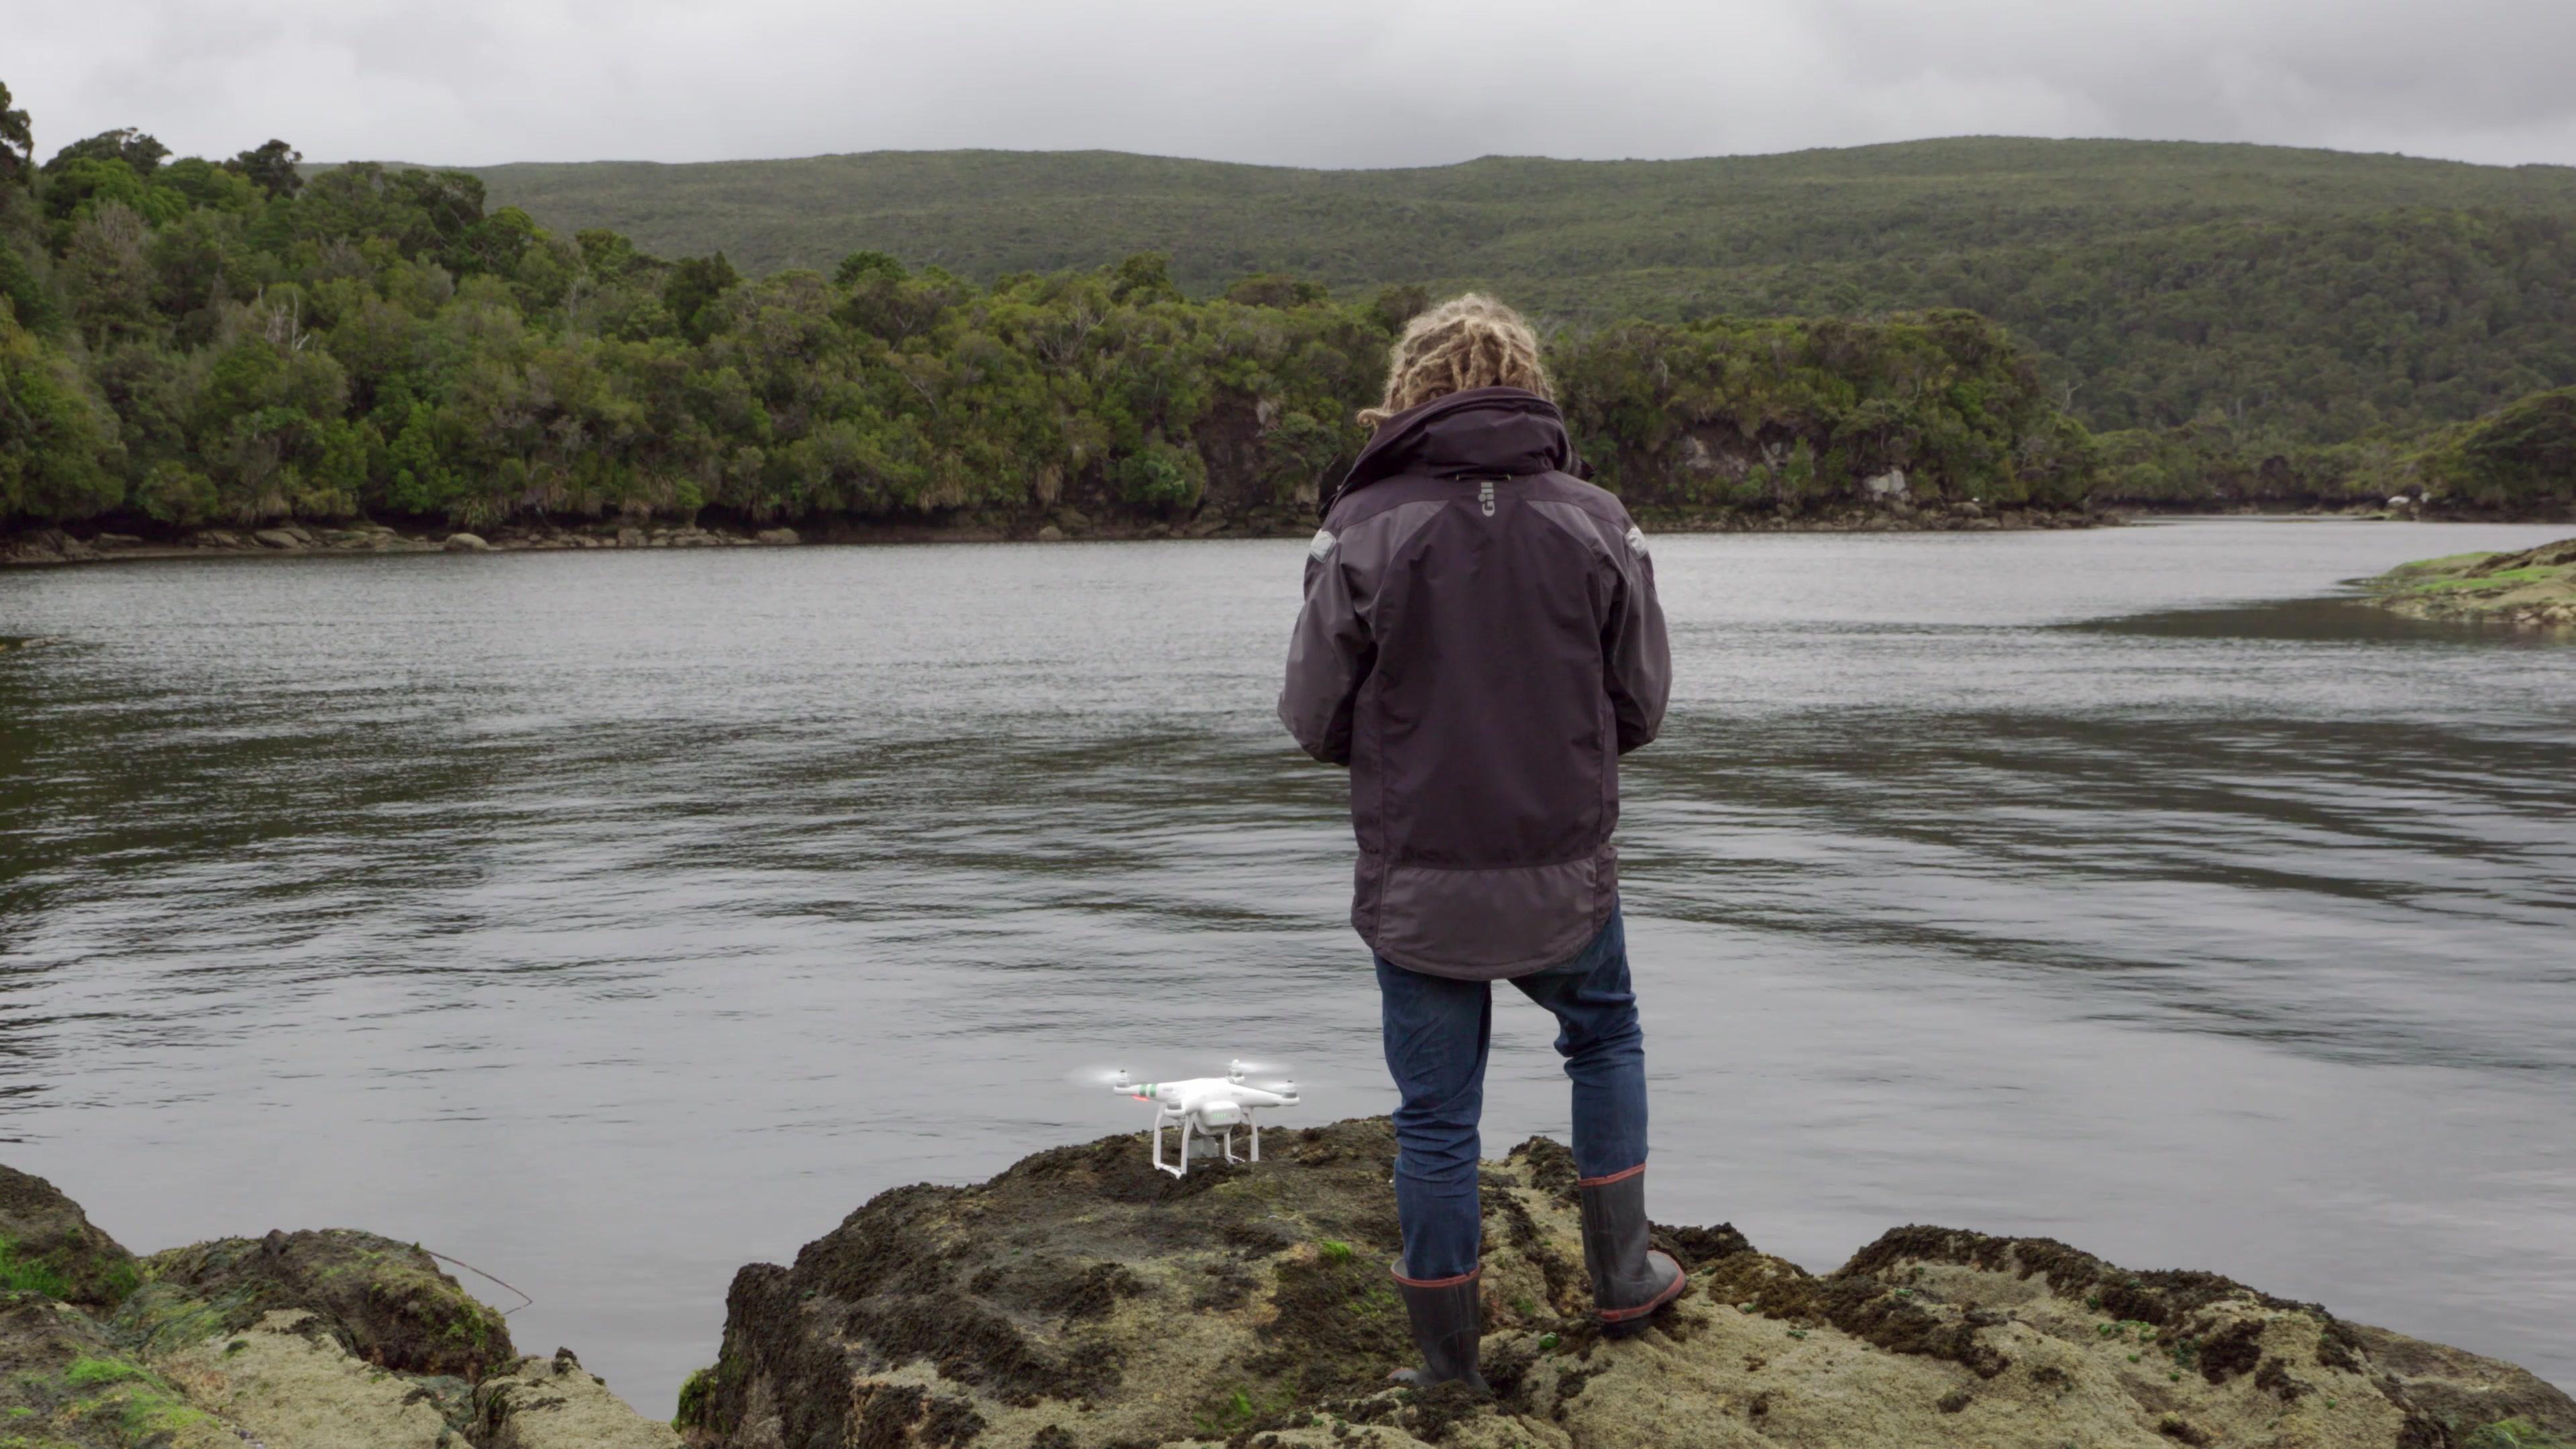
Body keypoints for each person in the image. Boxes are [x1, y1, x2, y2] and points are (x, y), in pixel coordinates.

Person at [1277, 294, 1679, 1391]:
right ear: (1524, 378)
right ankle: (1623, 1276)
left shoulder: (1361, 527)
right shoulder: (1597, 518)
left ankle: (1445, 1368)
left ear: (1407, 388)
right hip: (1566, 869)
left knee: (1437, 1117)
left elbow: (1314, 720)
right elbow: (1640, 705)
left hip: (1419, 880)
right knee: (1603, 1041)